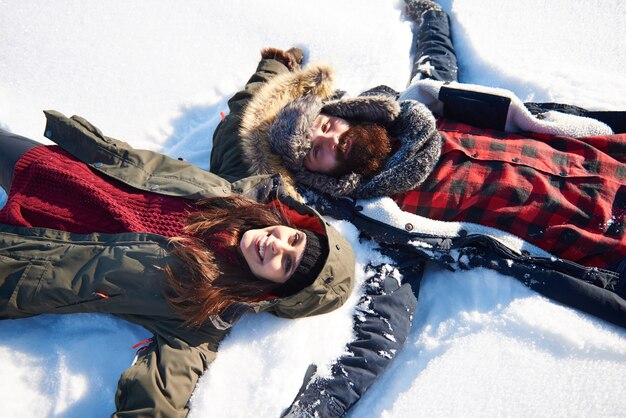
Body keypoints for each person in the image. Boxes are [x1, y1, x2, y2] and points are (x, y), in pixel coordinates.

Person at [208, 1, 626, 416]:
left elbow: (435, 58)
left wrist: (430, 16)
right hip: (606, 240)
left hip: (608, 156)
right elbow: (378, 331)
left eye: (324, 125)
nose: (331, 140)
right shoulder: (385, 220)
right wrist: (316, 409)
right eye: (316, 152)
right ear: (318, 177)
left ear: (339, 112)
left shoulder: (422, 108)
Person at [0, 111, 356, 417]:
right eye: (292, 238)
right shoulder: (235, 197)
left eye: (286, 264)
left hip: (25, 252)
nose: (275, 244)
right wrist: (273, 67)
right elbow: (238, 130)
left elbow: (162, 396)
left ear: (275, 289)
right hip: (57, 171)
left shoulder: (205, 312)